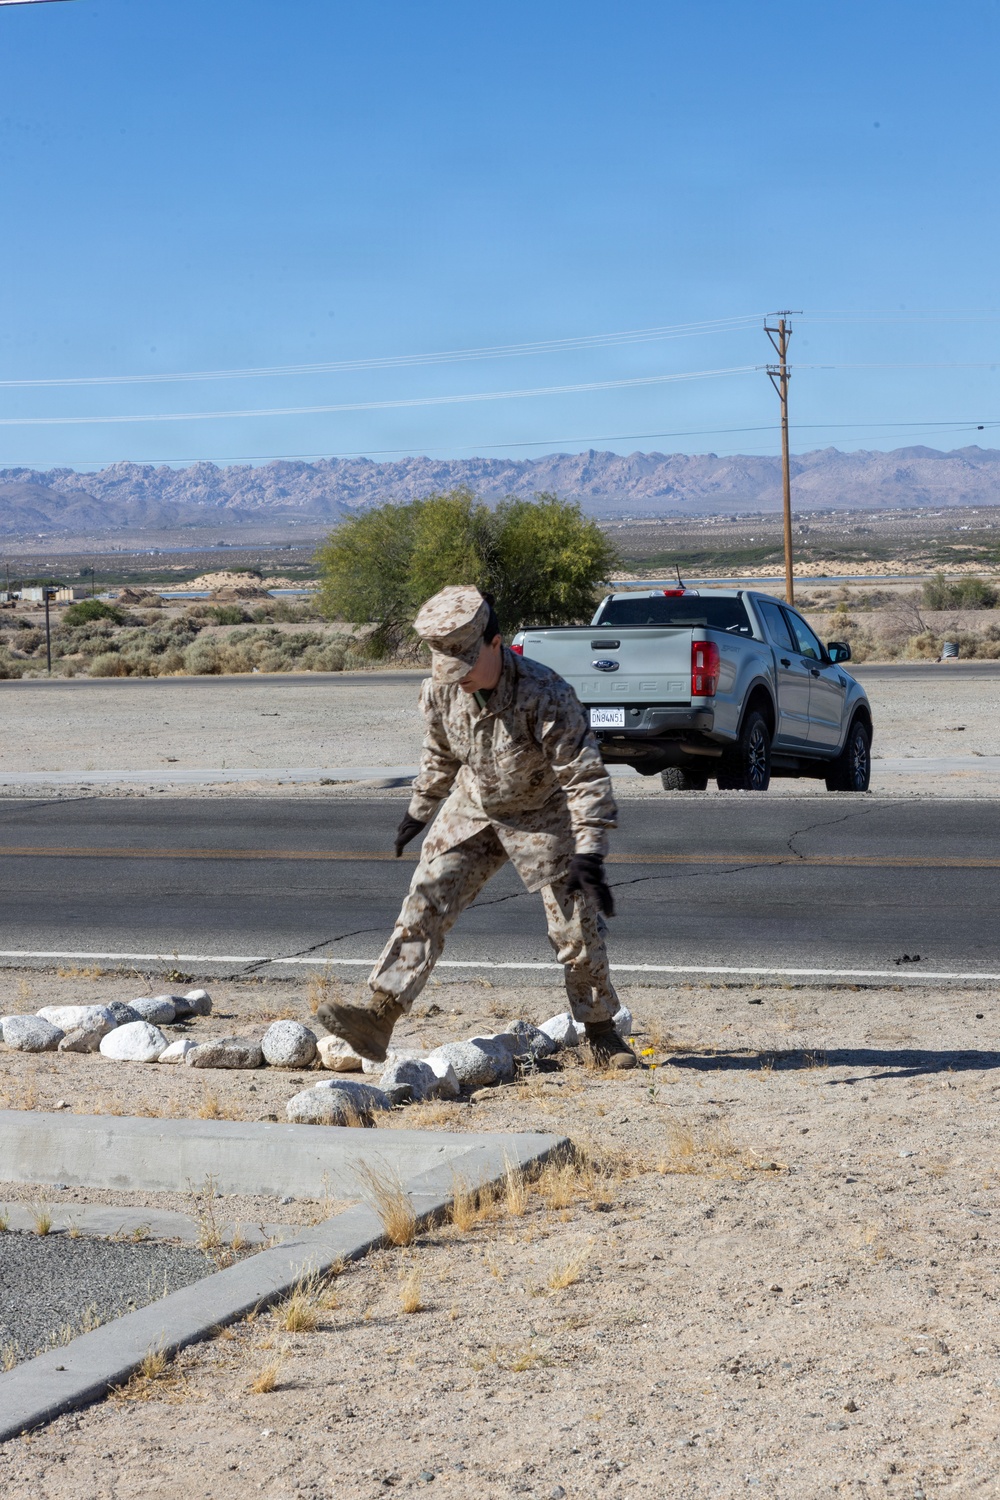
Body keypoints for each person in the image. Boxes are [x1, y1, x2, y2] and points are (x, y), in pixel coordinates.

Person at [318, 584, 636, 1070]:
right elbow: (441, 752)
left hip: (543, 816)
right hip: (474, 805)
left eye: (466, 663)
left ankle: (600, 1032)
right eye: (448, 666)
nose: (458, 677)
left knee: (574, 926)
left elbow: (584, 775)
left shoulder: (545, 694)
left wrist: (590, 850)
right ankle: (379, 1018)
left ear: (496, 642)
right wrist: (419, 810)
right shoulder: (441, 689)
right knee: (425, 899)